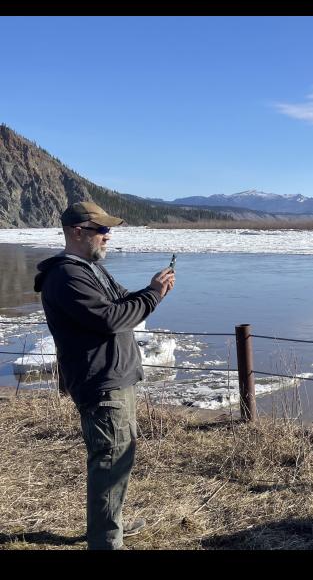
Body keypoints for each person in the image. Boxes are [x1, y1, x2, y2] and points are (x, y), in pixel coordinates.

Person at [33, 202, 175, 550]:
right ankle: (107, 541)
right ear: (78, 232)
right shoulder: (67, 276)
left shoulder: (89, 269)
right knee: (110, 460)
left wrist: (152, 291)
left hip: (114, 378)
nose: (108, 236)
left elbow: (123, 302)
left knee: (118, 458)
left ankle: (111, 525)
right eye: (102, 230)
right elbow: (110, 318)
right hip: (101, 383)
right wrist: (153, 295)